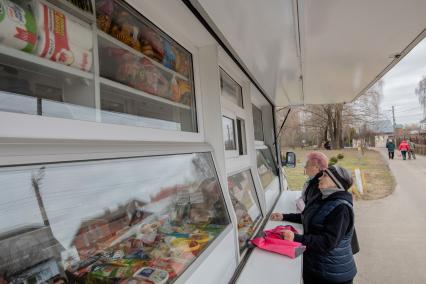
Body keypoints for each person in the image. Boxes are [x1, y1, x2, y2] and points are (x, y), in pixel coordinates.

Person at [280, 166, 357, 284]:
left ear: (336, 182)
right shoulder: (322, 197)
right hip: (317, 266)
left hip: (331, 273)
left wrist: (296, 238)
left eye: (325, 175)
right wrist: (284, 216)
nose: (319, 178)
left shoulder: (342, 209)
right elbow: (309, 218)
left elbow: (327, 242)